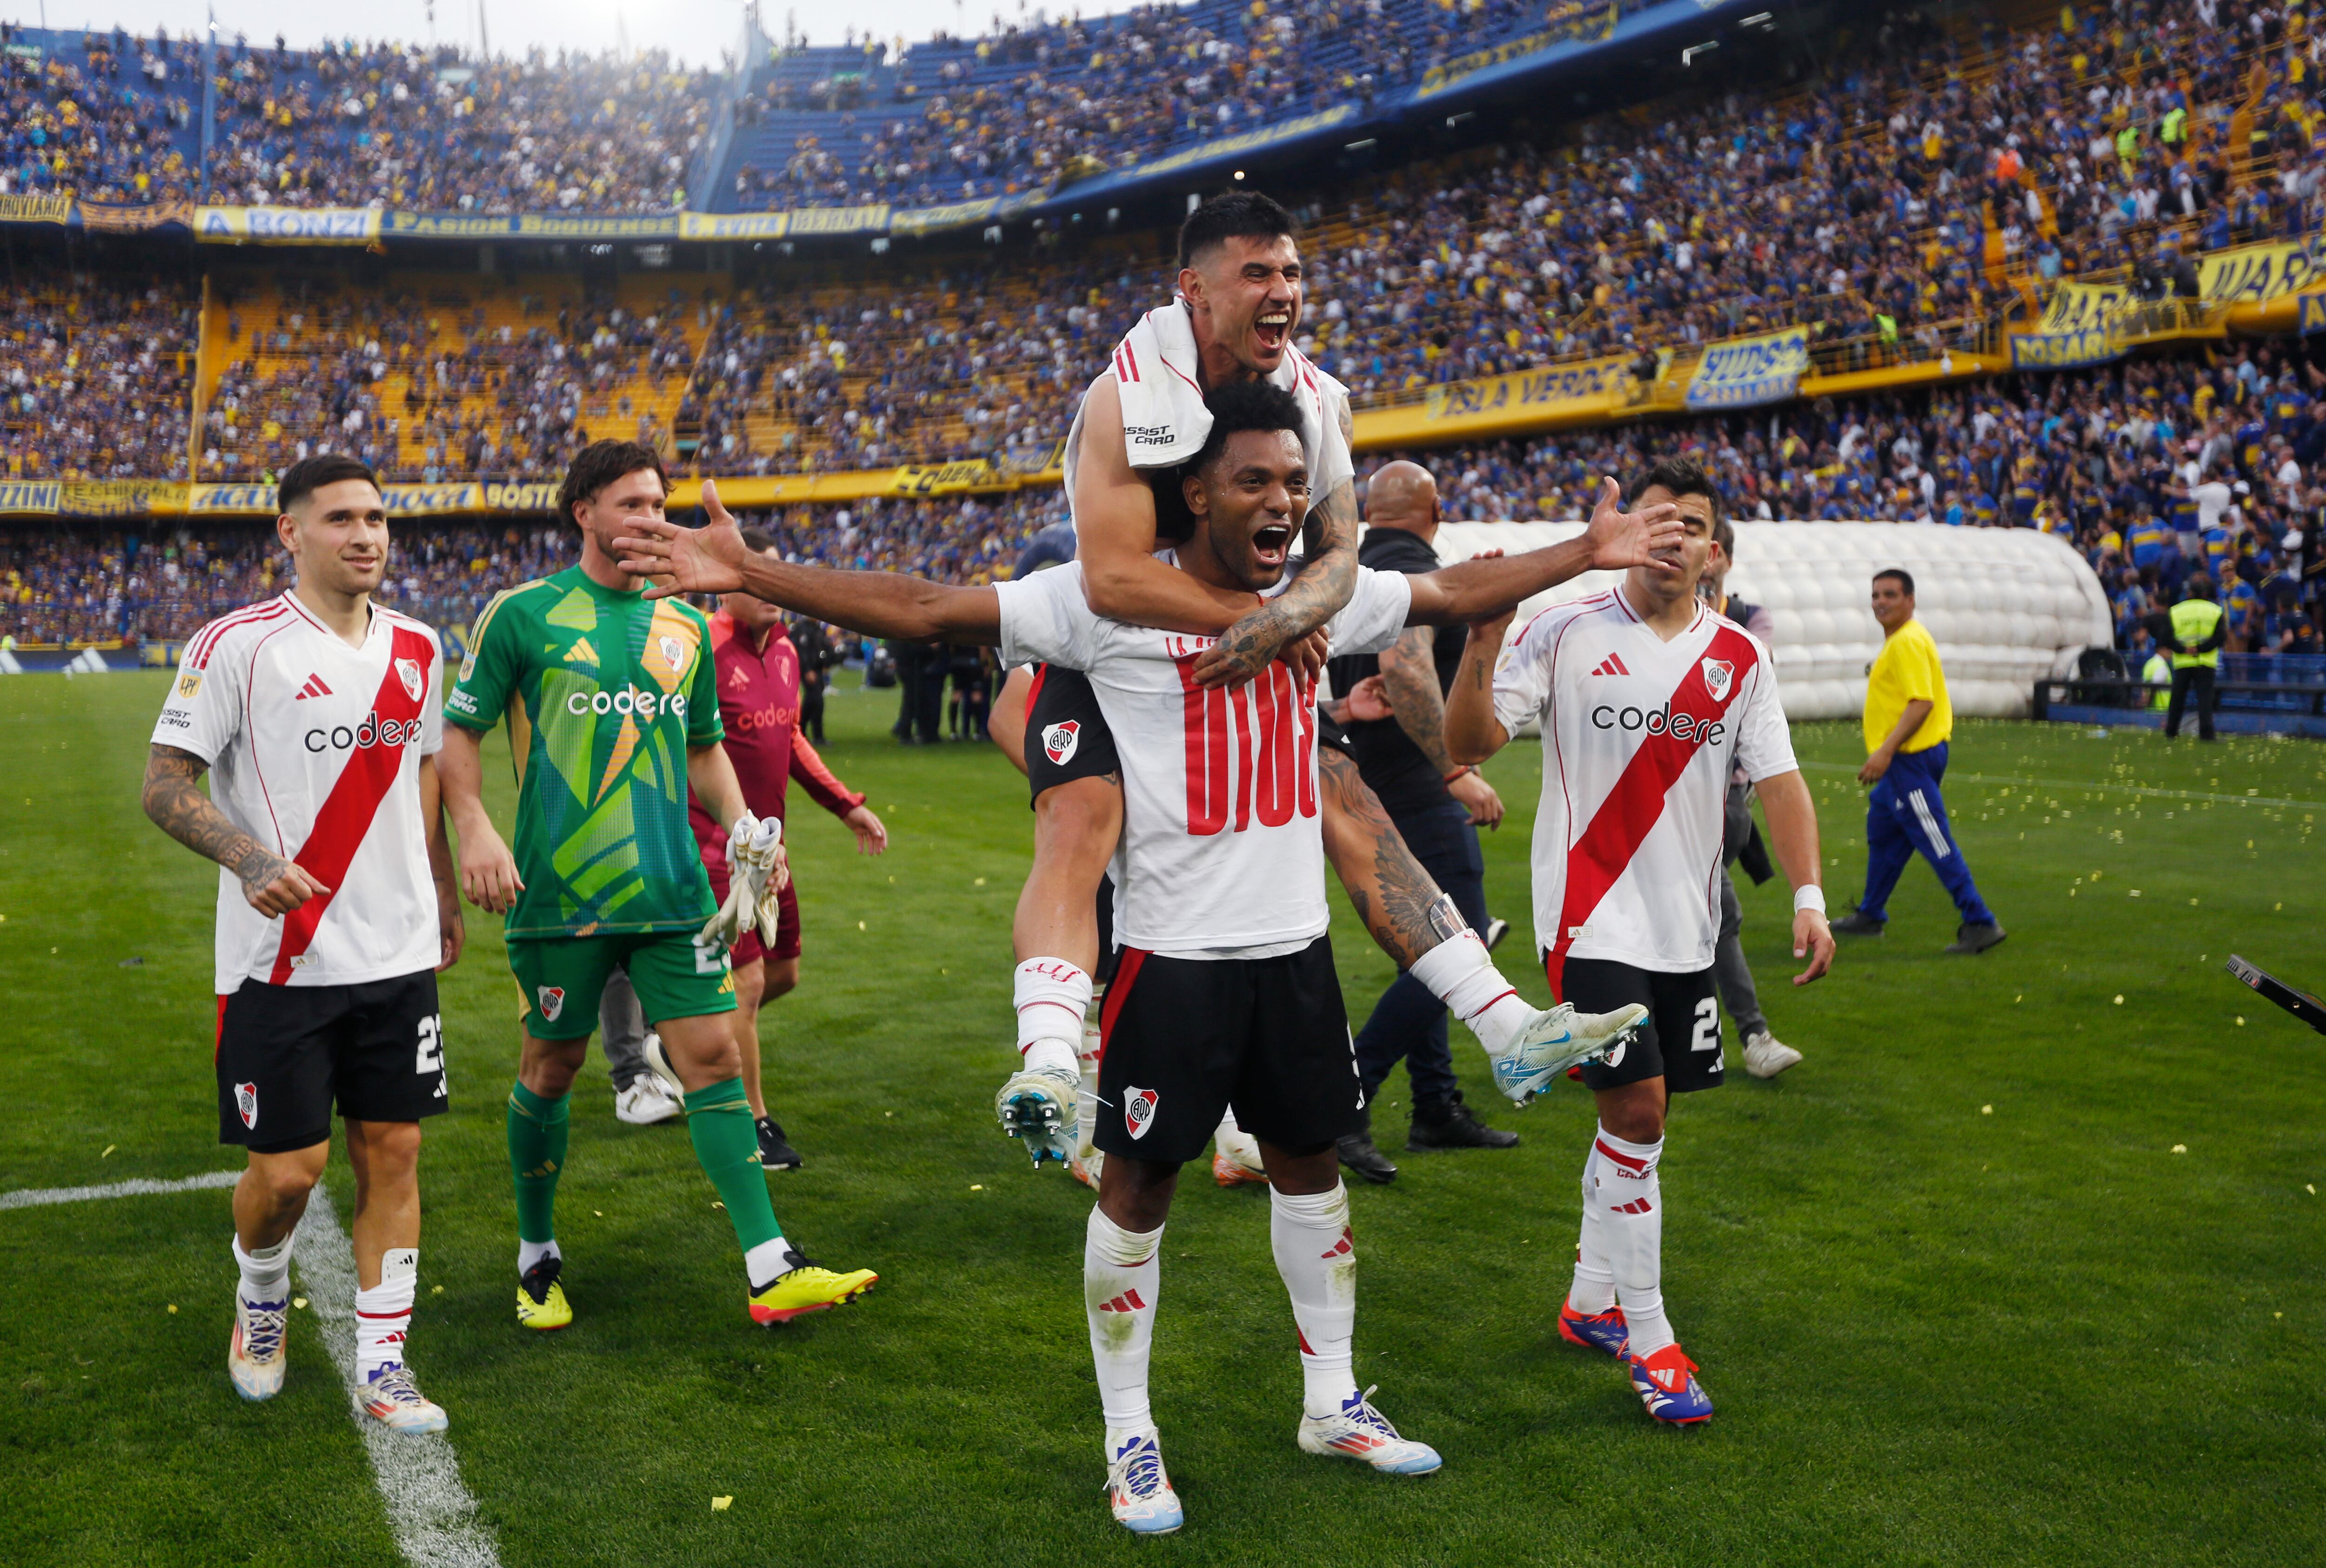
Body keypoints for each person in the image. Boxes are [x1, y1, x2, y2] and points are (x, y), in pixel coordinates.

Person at [612, 379, 1663, 1535]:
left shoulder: (1321, 592)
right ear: (1196, 491)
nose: (1281, 499)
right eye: (1253, 480)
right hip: (1175, 959)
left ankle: (1332, 1399)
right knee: (1137, 1189)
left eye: (1293, 481)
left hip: (1294, 954)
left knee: (1309, 1172)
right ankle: (1129, 1431)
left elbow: (1452, 587)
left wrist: (1588, 547)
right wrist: (754, 571)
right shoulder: (1102, 600)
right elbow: (922, 607)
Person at [996, 192, 1608, 1184]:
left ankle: (1507, 1025)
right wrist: (1263, 622)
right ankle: (1055, 1067)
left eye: (1291, 272)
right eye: (1257, 273)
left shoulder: (1315, 399)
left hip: (1248, 654)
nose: (1283, 292)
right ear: (1193, 290)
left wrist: (1283, 620)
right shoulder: (1125, 391)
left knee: (1352, 807)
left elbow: (1335, 560)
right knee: (1082, 826)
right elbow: (1111, 576)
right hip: (1119, 652)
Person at [438, 440, 878, 1331]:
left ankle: (770, 1265)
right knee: (551, 1067)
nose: (650, 518)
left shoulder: (683, 626)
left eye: (658, 503)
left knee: (712, 1058)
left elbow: (705, 748)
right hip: (560, 894)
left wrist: (749, 819)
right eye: (631, 504)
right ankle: (536, 1257)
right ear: (584, 513)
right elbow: (460, 733)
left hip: (675, 892)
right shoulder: (521, 615)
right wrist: (476, 828)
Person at [1444, 454, 1836, 1428]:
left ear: (1714, 549)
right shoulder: (1565, 627)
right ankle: (1652, 1341)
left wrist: (1810, 893)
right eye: (1654, 518)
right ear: (1626, 530)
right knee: (1644, 1112)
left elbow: (1779, 779)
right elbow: (1471, 742)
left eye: (1690, 524)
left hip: (1685, 931)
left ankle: (1587, 1301)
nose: (1671, 536)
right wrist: (1481, 641)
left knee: (1630, 1127)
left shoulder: (1739, 657)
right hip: (1587, 922)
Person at [141, 453, 462, 1433]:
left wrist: (441, 891)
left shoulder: (418, 645)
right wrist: (247, 856)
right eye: (340, 519)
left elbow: (423, 775)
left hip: (396, 955)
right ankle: (262, 1291)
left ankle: (386, 1360)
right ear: (291, 532)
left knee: (394, 1153)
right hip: (279, 960)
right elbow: (165, 784)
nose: (366, 535)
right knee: (287, 1175)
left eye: (376, 517)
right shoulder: (237, 645)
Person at [1325, 460, 1519, 1177]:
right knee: (1458, 943)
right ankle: (1350, 1096)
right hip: (1412, 782)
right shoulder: (1411, 572)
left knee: (1431, 945)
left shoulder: (1351, 569)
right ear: (1436, 508)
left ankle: (1434, 1104)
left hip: (1364, 775)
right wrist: (1455, 770)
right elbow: (1406, 669)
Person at [1829, 568, 2005, 953]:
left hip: (1910, 759)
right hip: (1908, 760)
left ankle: (1979, 920)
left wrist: (1886, 750)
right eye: (1876, 595)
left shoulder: (1906, 641)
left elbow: (1921, 702)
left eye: (1890, 594)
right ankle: (1871, 913)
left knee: (1933, 836)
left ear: (1910, 599)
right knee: (1883, 829)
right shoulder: (1903, 639)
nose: (1881, 602)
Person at [1699, 518, 1802, 1079]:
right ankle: (1740, 1033)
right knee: (1709, 914)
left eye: (1709, 547)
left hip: (1725, 799)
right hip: (1665, 799)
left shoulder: (1745, 621)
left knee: (1714, 914)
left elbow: (1738, 679)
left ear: (1723, 558)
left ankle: (1745, 1033)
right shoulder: (1651, 617)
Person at [2160, 573, 2226, 739]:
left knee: (2177, 699)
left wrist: (2183, 649)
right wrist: (2200, 649)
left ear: (2189, 593)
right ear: (2205, 594)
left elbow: (2167, 638)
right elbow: (2220, 638)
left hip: (2183, 662)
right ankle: (2206, 733)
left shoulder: (2176, 611)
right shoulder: (2216, 611)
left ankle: (2171, 731)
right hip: (2206, 662)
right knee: (2205, 700)